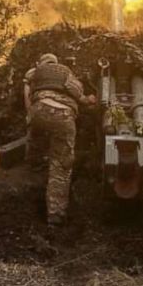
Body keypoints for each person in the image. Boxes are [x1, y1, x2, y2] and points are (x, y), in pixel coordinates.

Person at [23, 53, 95, 225]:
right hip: (63, 115)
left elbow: (26, 91)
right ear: (56, 62)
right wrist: (89, 99)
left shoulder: (34, 72)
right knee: (61, 164)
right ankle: (55, 214)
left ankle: (33, 164)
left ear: (40, 62)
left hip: (38, 109)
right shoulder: (64, 71)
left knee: (35, 137)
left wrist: (30, 113)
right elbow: (78, 93)